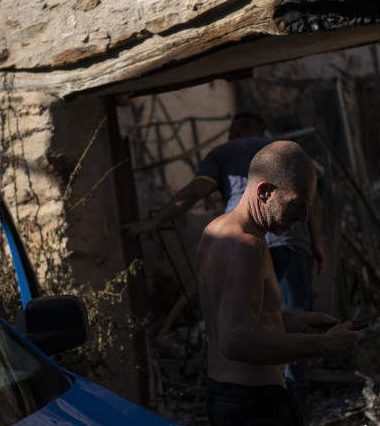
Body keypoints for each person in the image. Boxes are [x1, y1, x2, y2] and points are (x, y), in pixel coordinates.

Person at [196, 141, 362, 426]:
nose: (305, 217)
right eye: (298, 204)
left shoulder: (216, 232)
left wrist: (301, 322)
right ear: (264, 191)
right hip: (256, 407)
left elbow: (238, 317)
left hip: (229, 398)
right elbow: (239, 340)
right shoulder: (248, 249)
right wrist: (322, 346)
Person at [126, 114, 324, 396]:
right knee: (270, 318)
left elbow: (196, 191)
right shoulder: (282, 158)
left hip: (248, 237)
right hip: (284, 241)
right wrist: (317, 243)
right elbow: (239, 341)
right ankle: (294, 391)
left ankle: (288, 391)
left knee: (265, 315)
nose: (302, 215)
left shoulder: (227, 163)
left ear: (233, 130)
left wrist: (154, 223)